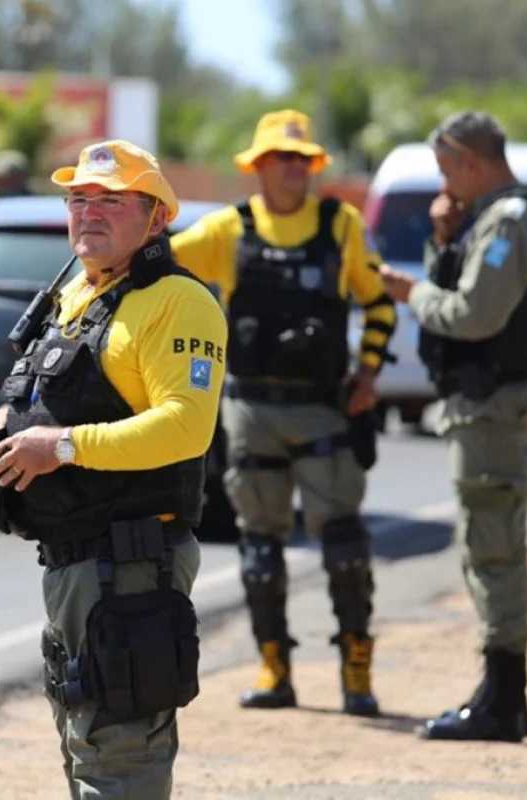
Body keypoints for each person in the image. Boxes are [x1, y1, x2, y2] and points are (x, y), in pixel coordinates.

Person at [0, 139, 227, 798]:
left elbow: (186, 427)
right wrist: (12, 423)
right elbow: (69, 391)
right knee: (88, 744)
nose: (89, 213)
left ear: (156, 218)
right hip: (76, 564)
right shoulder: (83, 293)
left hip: (130, 568)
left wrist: (58, 447)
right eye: (79, 199)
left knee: (119, 758)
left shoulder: (176, 301)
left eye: (111, 201)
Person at [169, 109, 398, 717]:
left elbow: (378, 305)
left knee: (345, 547)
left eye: (302, 159)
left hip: (324, 407)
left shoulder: (340, 224)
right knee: (261, 551)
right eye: (282, 159)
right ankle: (275, 669)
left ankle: (356, 669)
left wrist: (369, 374)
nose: (294, 169)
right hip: (252, 408)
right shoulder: (229, 229)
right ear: (259, 167)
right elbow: (161, 265)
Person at [379, 110, 527, 743]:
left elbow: (474, 314)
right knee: (487, 550)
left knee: (493, 553)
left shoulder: (509, 220)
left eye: (446, 170)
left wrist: (412, 292)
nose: (444, 183)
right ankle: (500, 691)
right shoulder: (489, 218)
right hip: (482, 411)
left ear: (470, 162)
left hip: (492, 411)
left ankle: (504, 700)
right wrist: (442, 238)